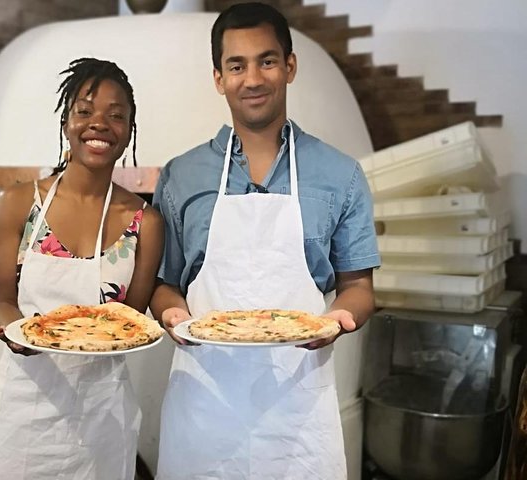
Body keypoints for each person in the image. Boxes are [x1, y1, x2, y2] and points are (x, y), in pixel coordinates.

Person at [150, 3, 380, 479]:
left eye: (267, 61)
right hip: (204, 405)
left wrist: (342, 318)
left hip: (296, 406)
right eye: (236, 65)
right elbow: (164, 284)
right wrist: (171, 312)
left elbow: (358, 286)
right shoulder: (180, 175)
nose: (252, 78)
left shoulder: (341, 175)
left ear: (289, 67)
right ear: (218, 77)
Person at [0, 58, 164, 479]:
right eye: (85, 111)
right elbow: (1, 304)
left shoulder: (145, 224)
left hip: (103, 412)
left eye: (116, 116)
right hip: (27, 407)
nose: (99, 124)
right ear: (66, 122)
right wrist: (21, 335)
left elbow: (130, 323)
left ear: (129, 131)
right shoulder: (19, 203)